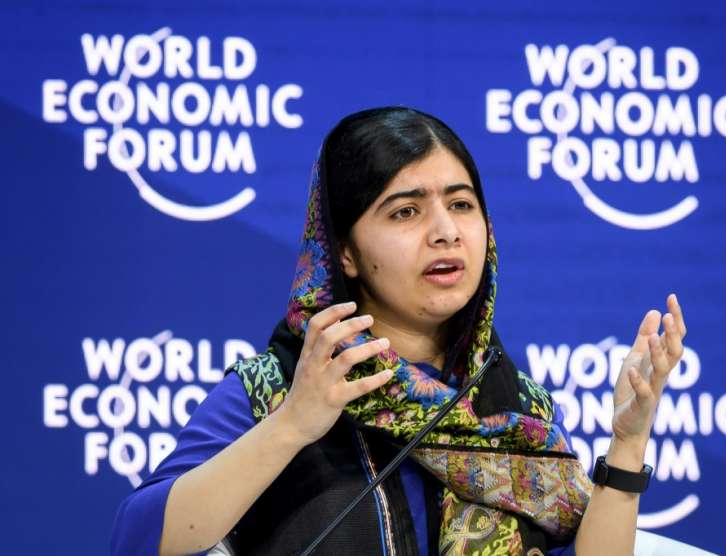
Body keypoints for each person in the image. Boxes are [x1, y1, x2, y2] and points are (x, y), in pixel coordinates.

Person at [111, 106, 687, 556]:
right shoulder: (285, 388)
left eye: (461, 205)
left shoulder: (516, 407)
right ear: (345, 252)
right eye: (405, 211)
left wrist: (628, 443)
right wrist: (292, 426)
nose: (445, 232)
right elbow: (139, 540)